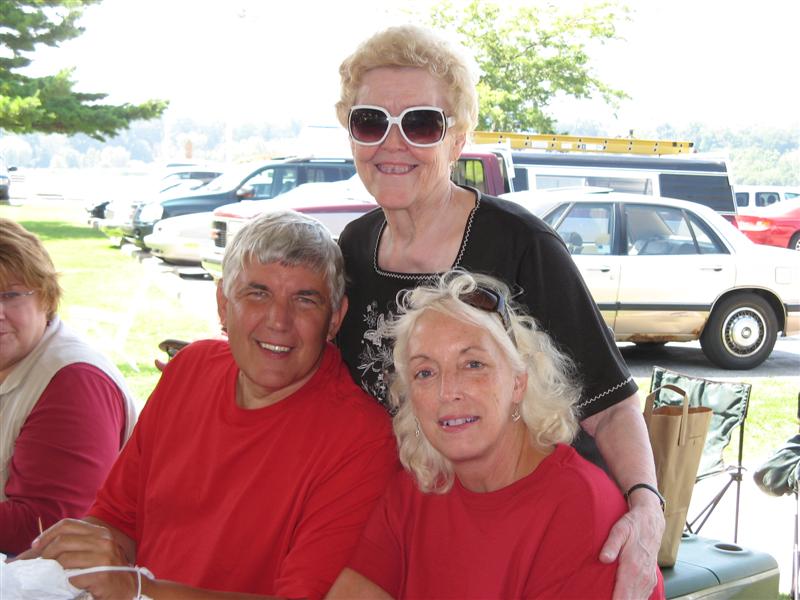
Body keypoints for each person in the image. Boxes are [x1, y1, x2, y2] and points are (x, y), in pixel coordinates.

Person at [334, 24, 664, 598]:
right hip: (408, 522)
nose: (393, 143)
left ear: (457, 138)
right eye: (370, 121)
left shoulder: (519, 246)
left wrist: (646, 508)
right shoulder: (355, 246)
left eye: (420, 123)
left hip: (522, 533)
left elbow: (609, 406)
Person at [20, 210, 399, 599]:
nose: (278, 321)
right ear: (223, 303)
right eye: (257, 293)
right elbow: (118, 517)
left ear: (335, 319)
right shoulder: (189, 370)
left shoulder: (362, 439)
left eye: (305, 300)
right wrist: (85, 551)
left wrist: (138, 590)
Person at [328, 271, 665, 599]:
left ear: (519, 381)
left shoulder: (579, 509)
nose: (448, 392)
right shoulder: (418, 489)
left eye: (473, 365)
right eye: (425, 372)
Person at [0, 218, 137, 555]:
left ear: (46, 298)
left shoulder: (74, 384)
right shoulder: (15, 357)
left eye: (10, 295)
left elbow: (50, 525)